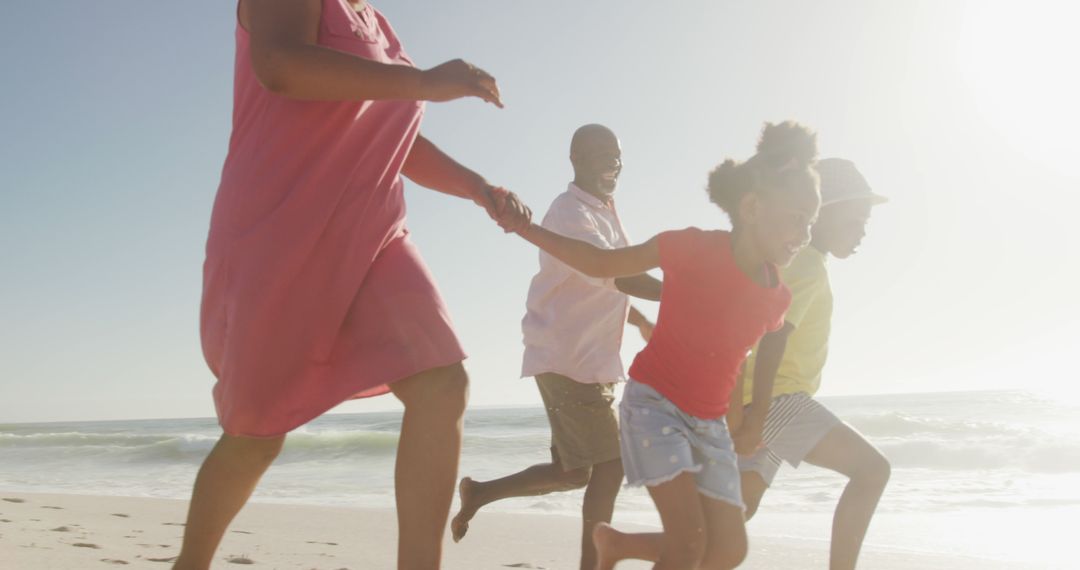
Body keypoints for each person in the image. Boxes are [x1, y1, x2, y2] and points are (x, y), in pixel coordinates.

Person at [173, 2, 530, 569]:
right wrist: (423, 83)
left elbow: (391, 132)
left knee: (442, 384)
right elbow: (279, 64)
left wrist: (477, 186)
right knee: (256, 433)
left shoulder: (378, 23)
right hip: (281, 231)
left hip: (372, 233)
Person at [515, 122, 822, 570]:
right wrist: (525, 228)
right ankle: (614, 550)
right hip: (654, 407)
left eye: (810, 221)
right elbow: (601, 263)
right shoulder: (693, 246)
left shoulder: (776, 295)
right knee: (689, 542)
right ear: (753, 207)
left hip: (709, 423)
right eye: (797, 217)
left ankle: (616, 547)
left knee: (729, 549)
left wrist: (747, 420)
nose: (806, 232)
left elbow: (734, 361)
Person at [450, 124, 661, 570]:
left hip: (591, 361)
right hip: (567, 359)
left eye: (618, 155)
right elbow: (610, 271)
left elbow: (606, 285)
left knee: (573, 472)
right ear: (576, 159)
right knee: (611, 465)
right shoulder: (569, 211)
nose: (614, 163)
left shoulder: (605, 210)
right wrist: (682, 289)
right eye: (603, 154)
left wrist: (639, 320)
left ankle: (480, 493)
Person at [729, 158, 890, 570]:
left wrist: (748, 413)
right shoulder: (806, 264)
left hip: (759, 402)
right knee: (872, 471)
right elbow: (774, 334)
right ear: (822, 213)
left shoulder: (798, 262)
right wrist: (759, 413)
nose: (863, 232)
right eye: (856, 219)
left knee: (736, 513)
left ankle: (630, 545)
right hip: (777, 399)